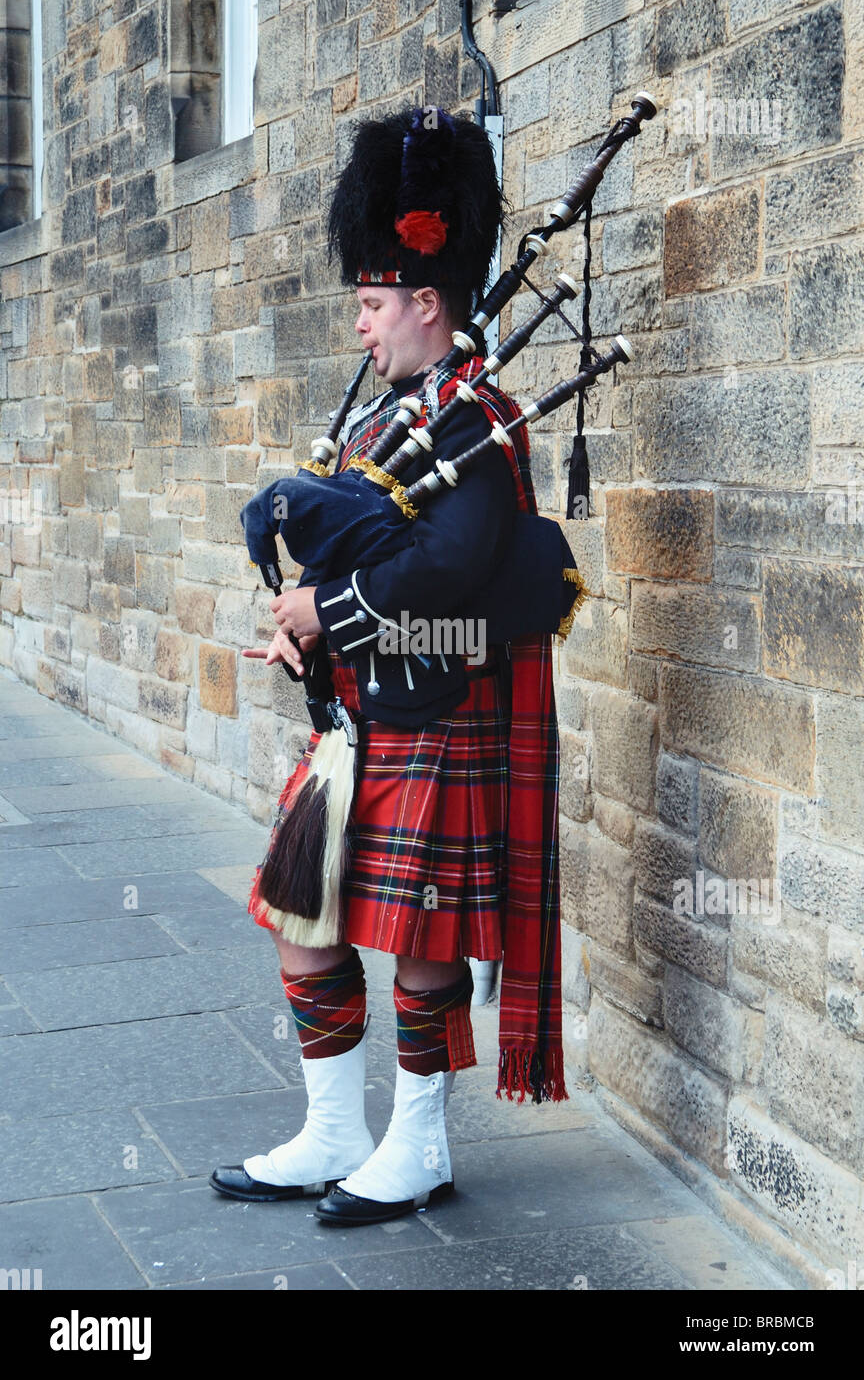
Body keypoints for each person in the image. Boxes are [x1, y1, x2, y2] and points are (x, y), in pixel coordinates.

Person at [210, 106, 568, 1227]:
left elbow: (452, 566)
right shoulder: (389, 422)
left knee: (418, 947)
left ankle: (417, 1145)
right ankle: (331, 1129)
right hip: (362, 720)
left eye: (372, 305)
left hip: (441, 708)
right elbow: (357, 540)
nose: (361, 328)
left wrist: (329, 610)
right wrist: (297, 620)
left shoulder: (479, 420)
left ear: (425, 301)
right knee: (303, 918)